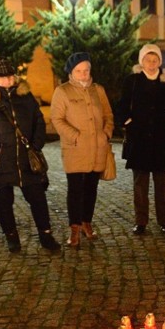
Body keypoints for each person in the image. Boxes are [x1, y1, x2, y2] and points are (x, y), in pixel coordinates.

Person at [0, 56, 60, 253]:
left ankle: (46, 234)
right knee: (3, 201)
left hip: (26, 158)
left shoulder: (24, 95)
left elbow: (38, 120)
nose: (9, 80)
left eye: (11, 76)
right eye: (4, 77)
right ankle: (11, 237)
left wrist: (36, 145)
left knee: (37, 197)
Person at [115, 44, 165, 235]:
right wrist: (128, 123)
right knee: (140, 183)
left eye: (155, 60)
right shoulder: (133, 80)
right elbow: (121, 105)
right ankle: (141, 220)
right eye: (148, 59)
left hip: (161, 139)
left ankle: (164, 220)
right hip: (139, 138)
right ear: (142, 61)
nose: (152, 64)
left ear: (159, 62)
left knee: (162, 183)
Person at [51, 52, 114, 247]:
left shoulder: (98, 90)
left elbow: (108, 115)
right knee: (75, 189)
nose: (84, 74)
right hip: (75, 148)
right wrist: (75, 136)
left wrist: (106, 134)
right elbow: (57, 120)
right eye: (79, 71)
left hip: (98, 147)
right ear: (71, 72)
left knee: (91, 189)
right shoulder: (62, 91)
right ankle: (75, 228)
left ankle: (87, 222)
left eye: (86, 70)